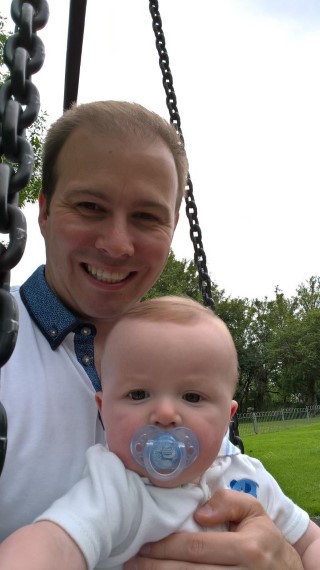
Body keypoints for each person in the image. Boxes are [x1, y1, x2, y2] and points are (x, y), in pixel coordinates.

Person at [0, 100, 306, 569]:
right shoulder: (10, 347)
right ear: (42, 211)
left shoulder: (186, 360)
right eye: (89, 206)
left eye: (146, 216)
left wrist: (285, 560)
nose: (118, 244)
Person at [0, 296, 319, 570]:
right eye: (138, 394)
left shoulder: (248, 477)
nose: (165, 414)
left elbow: (309, 541)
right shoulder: (116, 490)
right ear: (103, 410)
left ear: (228, 418)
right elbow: (54, 541)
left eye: (192, 397)